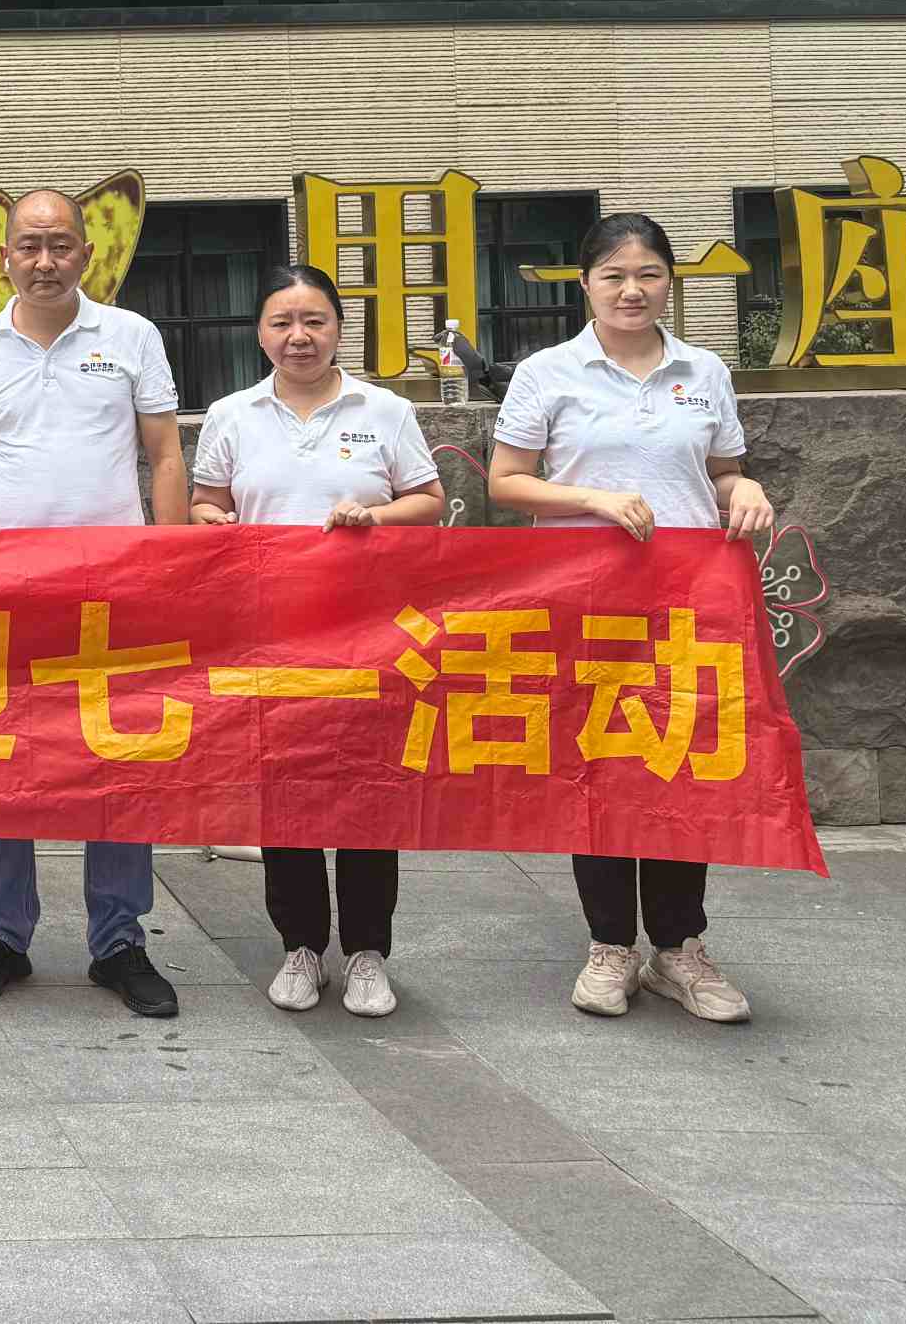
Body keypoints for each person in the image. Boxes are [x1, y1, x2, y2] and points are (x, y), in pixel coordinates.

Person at [488, 211, 776, 1026]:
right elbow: (506, 482)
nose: (631, 290)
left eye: (647, 274)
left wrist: (746, 488)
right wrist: (594, 498)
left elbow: (722, 471)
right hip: (586, 600)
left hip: (687, 601)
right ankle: (610, 945)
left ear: (669, 282)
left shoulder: (703, 369)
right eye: (613, 275)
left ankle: (679, 948)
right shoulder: (549, 372)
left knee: (683, 763)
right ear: (585, 284)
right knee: (601, 765)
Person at [0, 187, 185, 1018]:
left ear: (86, 253)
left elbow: (164, 453)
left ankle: (120, 940)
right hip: (7, 591)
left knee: (116, 759)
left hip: (115, 587)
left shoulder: (132, 336)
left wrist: (171, 559)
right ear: (4, 255)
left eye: (60, 245)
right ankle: (1, 933)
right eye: (29, 246)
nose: (45, 261)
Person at [191, 265, 442, 1019]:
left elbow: (428, 501)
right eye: (282, 323)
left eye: (314, 322)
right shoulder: (232, 414)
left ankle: (367, 953)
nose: (298, 337)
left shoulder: (385, 410)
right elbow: (205, 503)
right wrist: (213, 522)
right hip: (271, 635)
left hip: (367, 635)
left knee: (367, 793)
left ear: (337, 328)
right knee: (286, 793)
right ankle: (300, 946)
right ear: (260, 333)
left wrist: (375, 518)